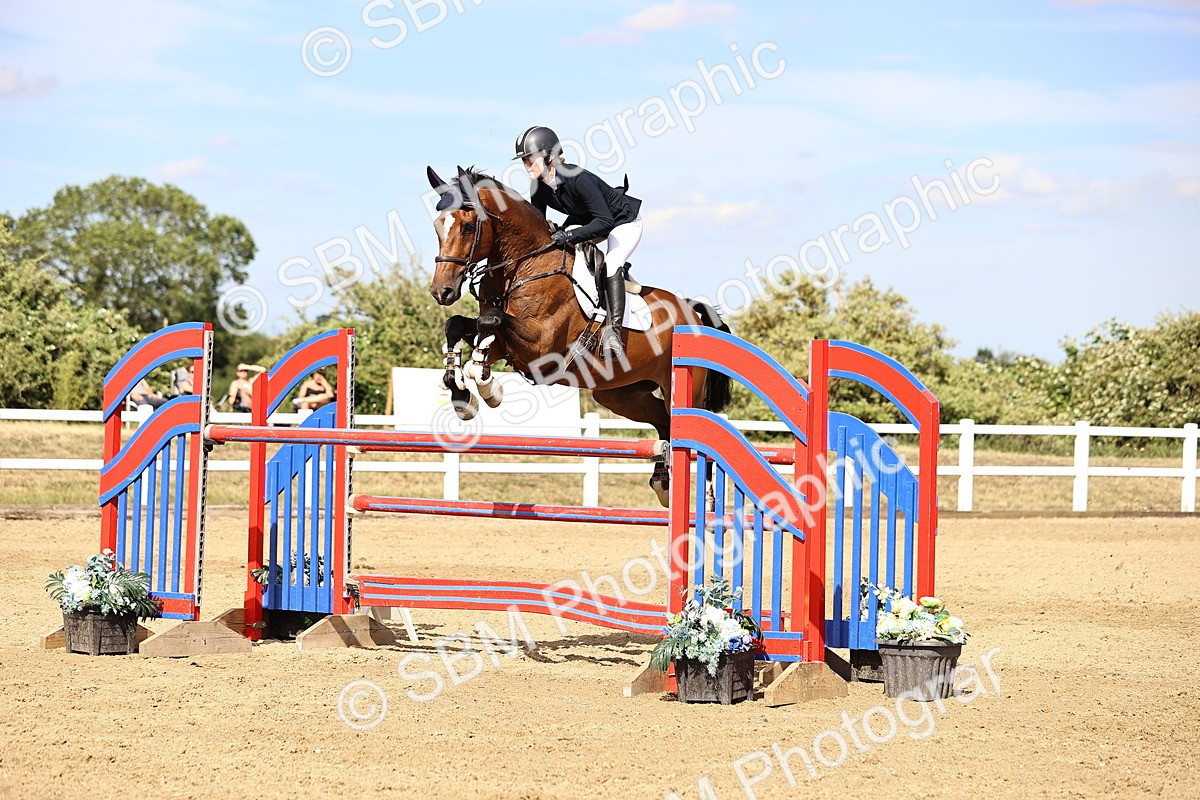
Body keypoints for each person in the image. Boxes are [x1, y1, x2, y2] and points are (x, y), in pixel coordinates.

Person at [514, 125, 643, 361]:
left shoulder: (578, 178)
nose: (527, 165)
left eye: (531, 159)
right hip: (589, 220)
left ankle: (613, 333)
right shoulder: (538, 186)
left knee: (613, 261)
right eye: (524, 160)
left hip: (622, 221)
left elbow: (605, 222)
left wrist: (570, 235)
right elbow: (539, 224)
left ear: (549, 156)